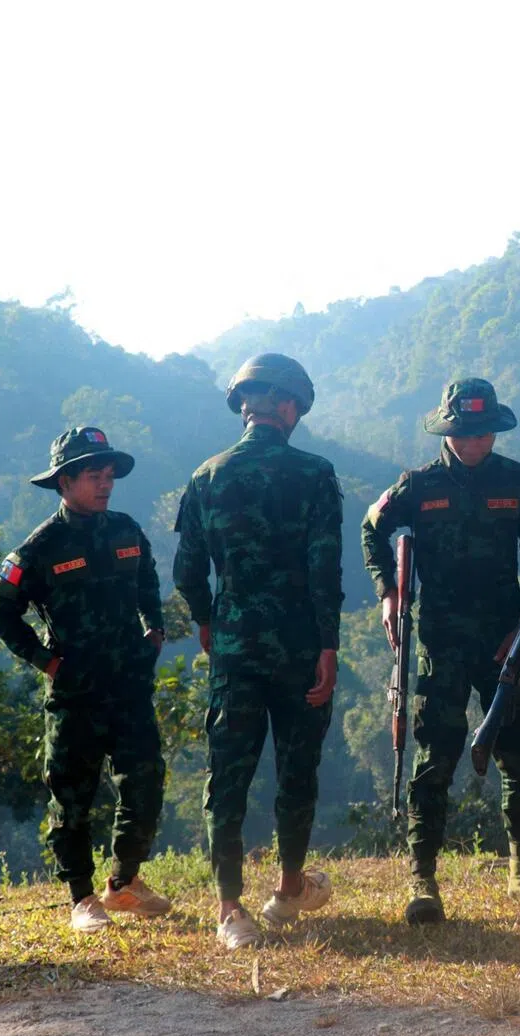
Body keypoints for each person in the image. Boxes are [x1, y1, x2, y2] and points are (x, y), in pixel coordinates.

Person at [361, 378, 520, 925]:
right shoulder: (418, 484)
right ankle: (423, 877)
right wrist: (388, 592)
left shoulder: (519, 482)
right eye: (465, 432)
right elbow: (371, 528)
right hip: (441, 643)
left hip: (505, 640)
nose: (476, 441)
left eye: (483, 432)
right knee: (435, 756)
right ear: (448, 431)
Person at [173, 353, 342, 949]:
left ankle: (229, 910)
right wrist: (328, 645)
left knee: (229, 774)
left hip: (235, 646)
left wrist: (208, 621)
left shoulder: (206, 477)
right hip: (299, 645)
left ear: (245, 407)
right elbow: (325, 570)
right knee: (297, 770)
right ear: (289, 406)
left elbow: (188, 572)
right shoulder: (316, 474)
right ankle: (289, 888)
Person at [0, 426, 169, 933]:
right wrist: (47, 662)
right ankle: (82, 899)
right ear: (64, 482)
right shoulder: (40, 548)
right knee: (72, 797)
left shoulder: (128, 530)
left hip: (129, 686)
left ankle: (124, 882)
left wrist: (153, 627)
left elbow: (148, 579)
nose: (105, 483)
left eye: (109, 474)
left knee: (146, 781)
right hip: (76, 694)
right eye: (93, 475)